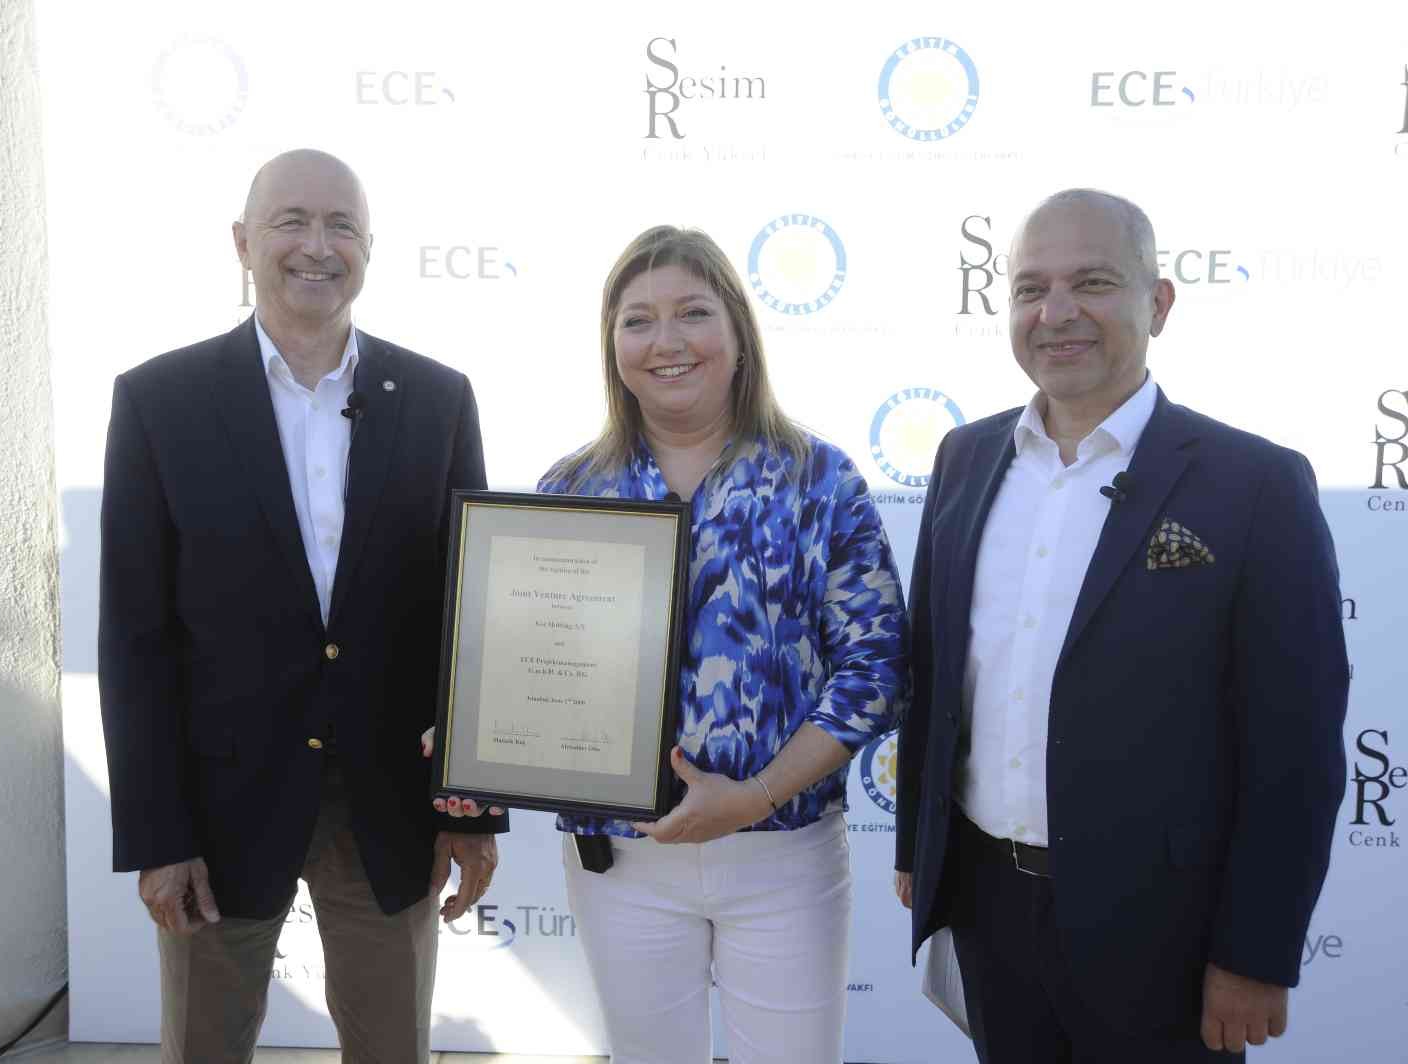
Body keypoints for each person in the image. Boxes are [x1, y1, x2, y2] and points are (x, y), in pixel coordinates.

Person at [894, 189, 1348, 1062]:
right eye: (1031, 289)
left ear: (1159, 303)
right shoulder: (964, 458)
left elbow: (1294, 750)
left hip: (1165, 934)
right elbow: (938, 670)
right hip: (988, 911)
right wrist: (922, 846)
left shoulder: (1255, 484)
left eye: (1093, 282)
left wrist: (1254, 954)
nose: (1056, 312)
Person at [97, 148, 505, 1064]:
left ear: (370, 248)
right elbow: (134, 638)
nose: (317, 246)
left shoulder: (438, 400)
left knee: (392, 1048)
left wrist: (472, 810)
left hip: (390, 806)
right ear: (243, 243)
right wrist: (158, 835)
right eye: (291, 221)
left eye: (341, 226)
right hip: (217, 812)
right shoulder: (159, 402)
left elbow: (467, 618)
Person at [525, 225, 909, 1063]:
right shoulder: (572, 487)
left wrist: (758, 794)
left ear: (738, 331)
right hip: (619, 863)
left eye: (693, 312)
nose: (666, 341)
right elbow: (540, 655)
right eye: (637, 320)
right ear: (612, 345)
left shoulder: (819, 479)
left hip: (783, 855)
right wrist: (481, 732)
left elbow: (876, 670)